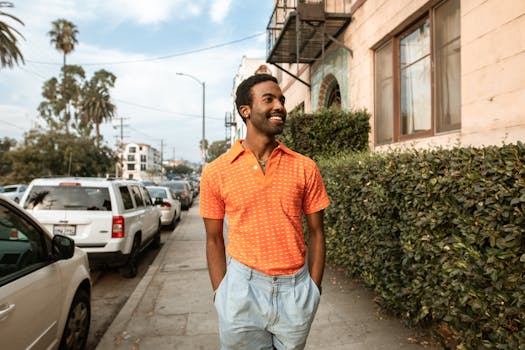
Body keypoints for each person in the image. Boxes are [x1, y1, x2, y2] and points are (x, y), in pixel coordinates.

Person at [200, 73, 330, 350]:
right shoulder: (216, 172)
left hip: (295, 291)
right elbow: (213, 239)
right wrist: (221, 293)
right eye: (269, 99)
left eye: (281, 100)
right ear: (245, 111)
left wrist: (313, 290)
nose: (280, 106)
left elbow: (318, 233)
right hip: (241, 289)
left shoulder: (305, 167)